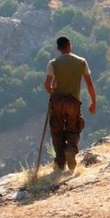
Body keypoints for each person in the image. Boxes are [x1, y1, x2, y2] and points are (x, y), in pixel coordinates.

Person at [44, 35, 97, 171]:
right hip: (73, 101)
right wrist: (93, 102)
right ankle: (71, 150)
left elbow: (47, 85)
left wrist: (53, 93)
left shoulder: (53, 63)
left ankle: (60, 162)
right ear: (70, 45)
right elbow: (89, 84)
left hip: (57, 101)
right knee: (74, 128)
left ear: (58, 48)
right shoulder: (81, 62)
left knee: (56, 131)